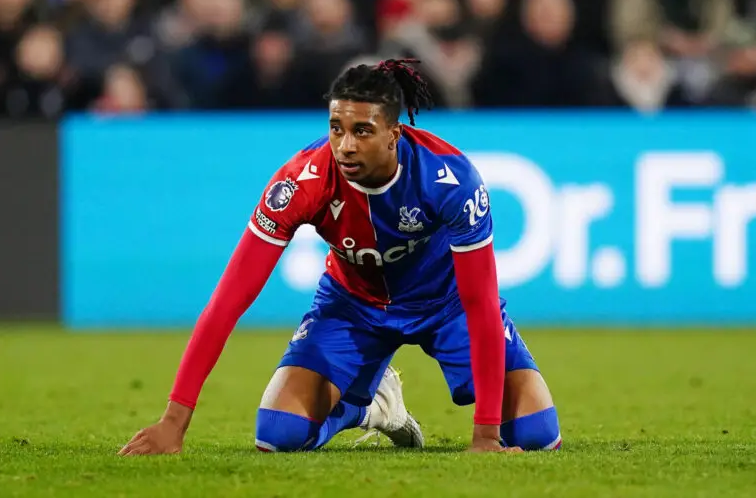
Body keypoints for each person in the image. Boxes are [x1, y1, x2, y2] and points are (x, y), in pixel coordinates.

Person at [118, 59, 561, 455]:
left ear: (393, 134)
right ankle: (370, 407)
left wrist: (485, 435)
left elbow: (480, 303)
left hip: (446, 305)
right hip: (353, 305)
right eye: (336, 128)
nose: (345, 145)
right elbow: (228, 301)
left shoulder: (449, 179)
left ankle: (397, 399)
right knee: (277, 434)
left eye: (362, 131)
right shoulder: (301, 183)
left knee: (536, 434)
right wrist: (173, 422)